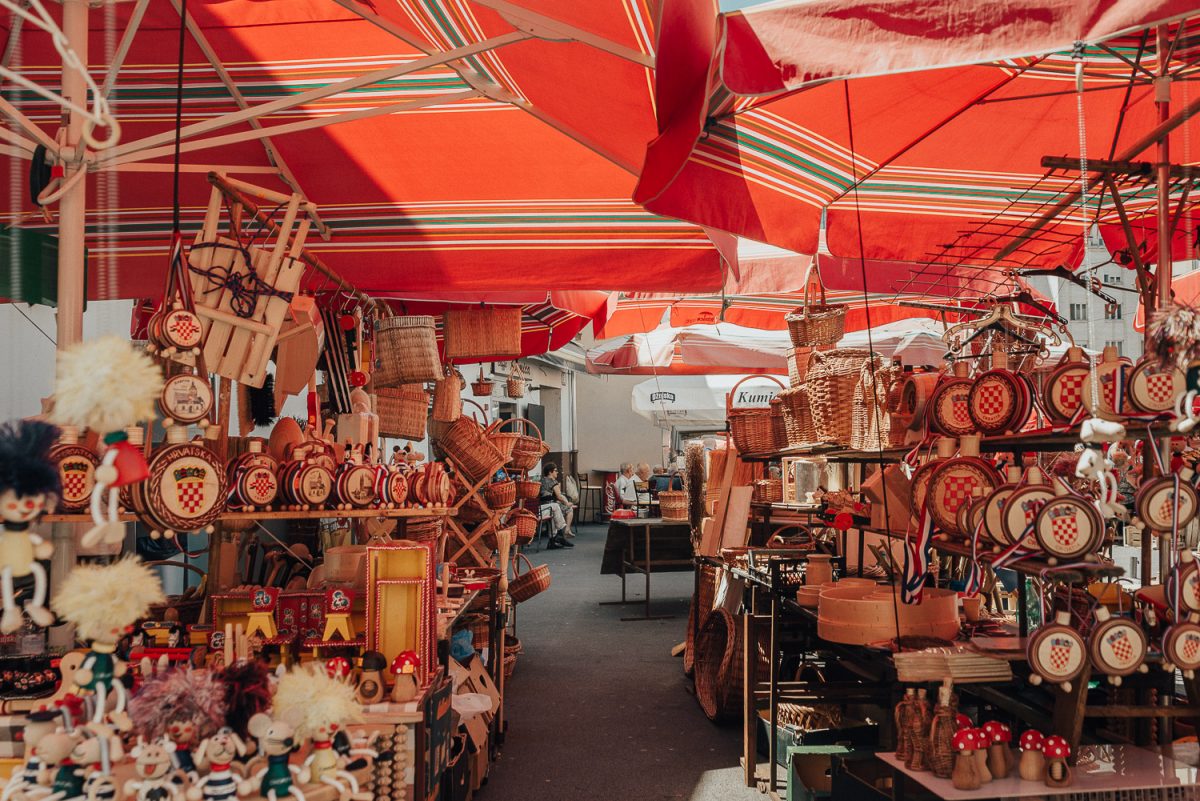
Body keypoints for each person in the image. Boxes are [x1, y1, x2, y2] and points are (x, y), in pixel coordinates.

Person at [539, 463, 575, 549]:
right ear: (550, 472)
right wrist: (566, 503)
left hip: (542, 507)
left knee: (554, 512)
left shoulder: (541, 481)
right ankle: (561, 533)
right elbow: (559, 496)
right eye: (555, 470)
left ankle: (552, 541)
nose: (557, 472)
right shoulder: (553, 482)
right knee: (560, 507)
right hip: (545, 508)